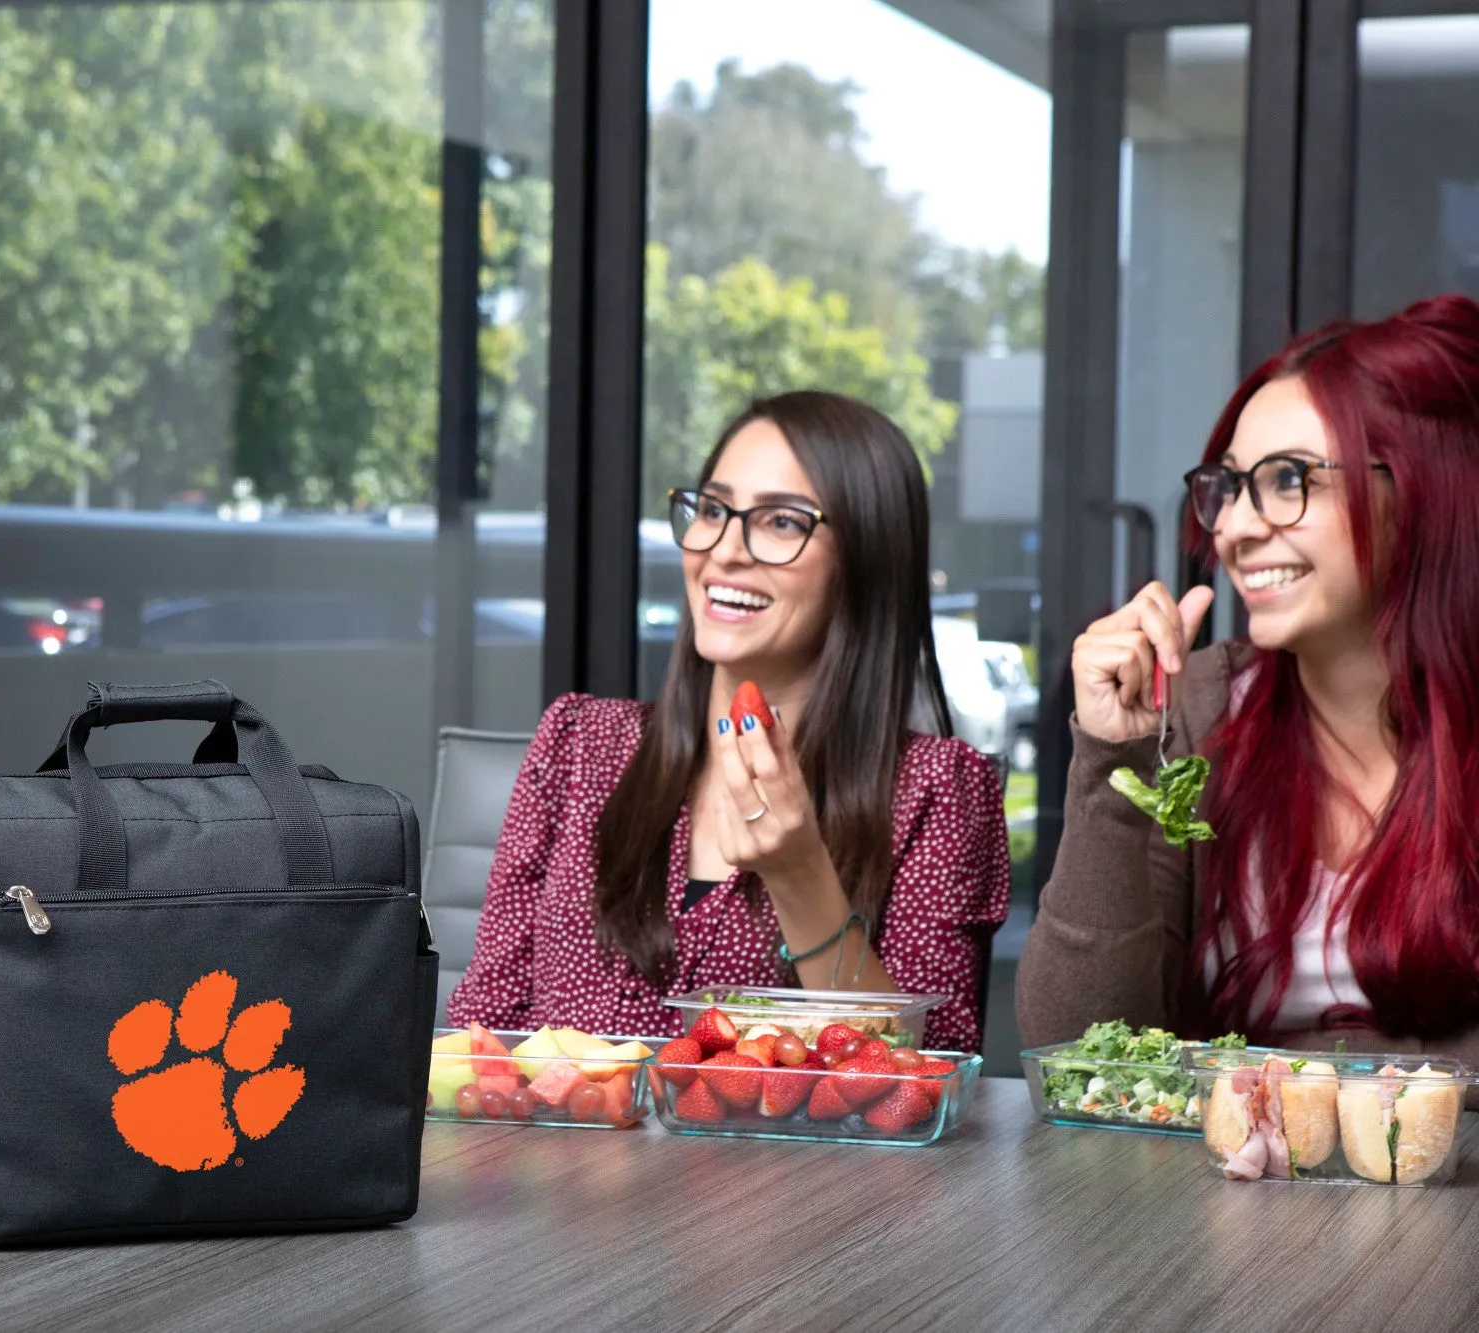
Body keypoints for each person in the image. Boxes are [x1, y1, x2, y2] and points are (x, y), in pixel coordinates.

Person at [447, 391, 1012, 1051]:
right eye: (713, 509)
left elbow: (923, 1080)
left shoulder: (939, 791)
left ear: (866, 560)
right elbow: (478, 1039)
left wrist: (801, 874)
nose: (724, 550)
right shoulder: (578, 744)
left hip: (793, 1160)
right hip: (564, 1154)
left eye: (780, 522)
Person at [1018, 295, 1479, 1065]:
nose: (1230, 526)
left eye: (1288, 478)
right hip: (1222, 1178)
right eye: (1228, 486)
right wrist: (1111, 762)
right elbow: (1078, 1053)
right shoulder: (1195, 707)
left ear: (1421, 489)